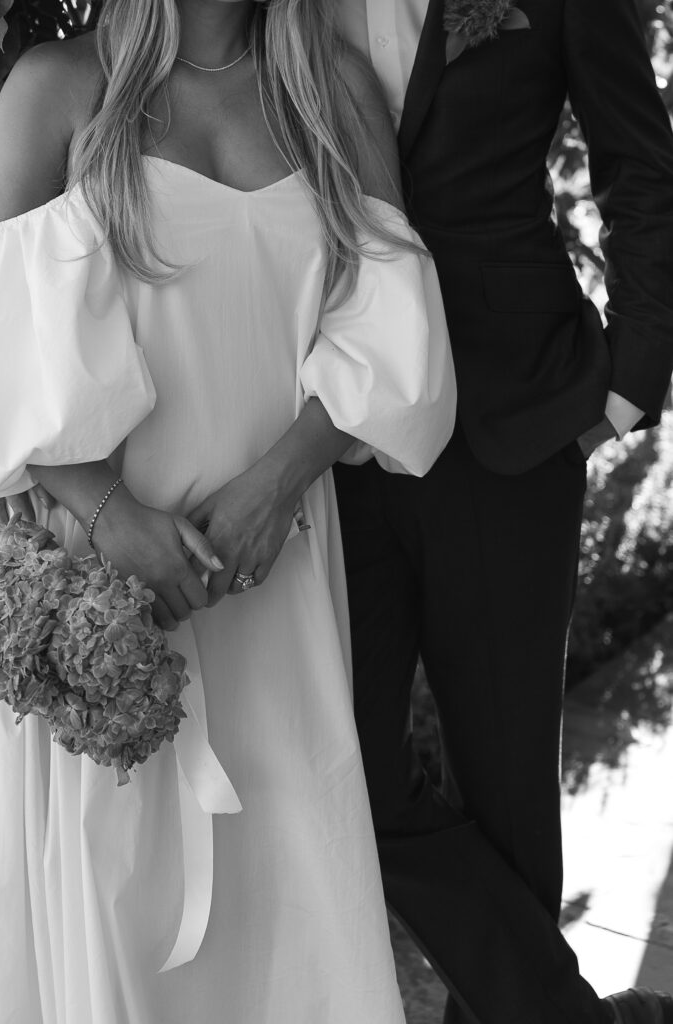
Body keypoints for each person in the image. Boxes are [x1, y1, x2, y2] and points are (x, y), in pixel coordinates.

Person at [0, 1, 457, 1021]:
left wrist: (275, 484)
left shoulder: (329, 90)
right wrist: (114, 517)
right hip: (102, 599)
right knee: (118, 917)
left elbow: (389, 326)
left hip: (274, 577)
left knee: (291, 918)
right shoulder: (56, 90)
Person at [333, 1, 673, 1023]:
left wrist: (626, 386)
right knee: (338, 767)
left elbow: (638, 168)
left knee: (503, 786)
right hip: (330, 429)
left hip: (509, 424)